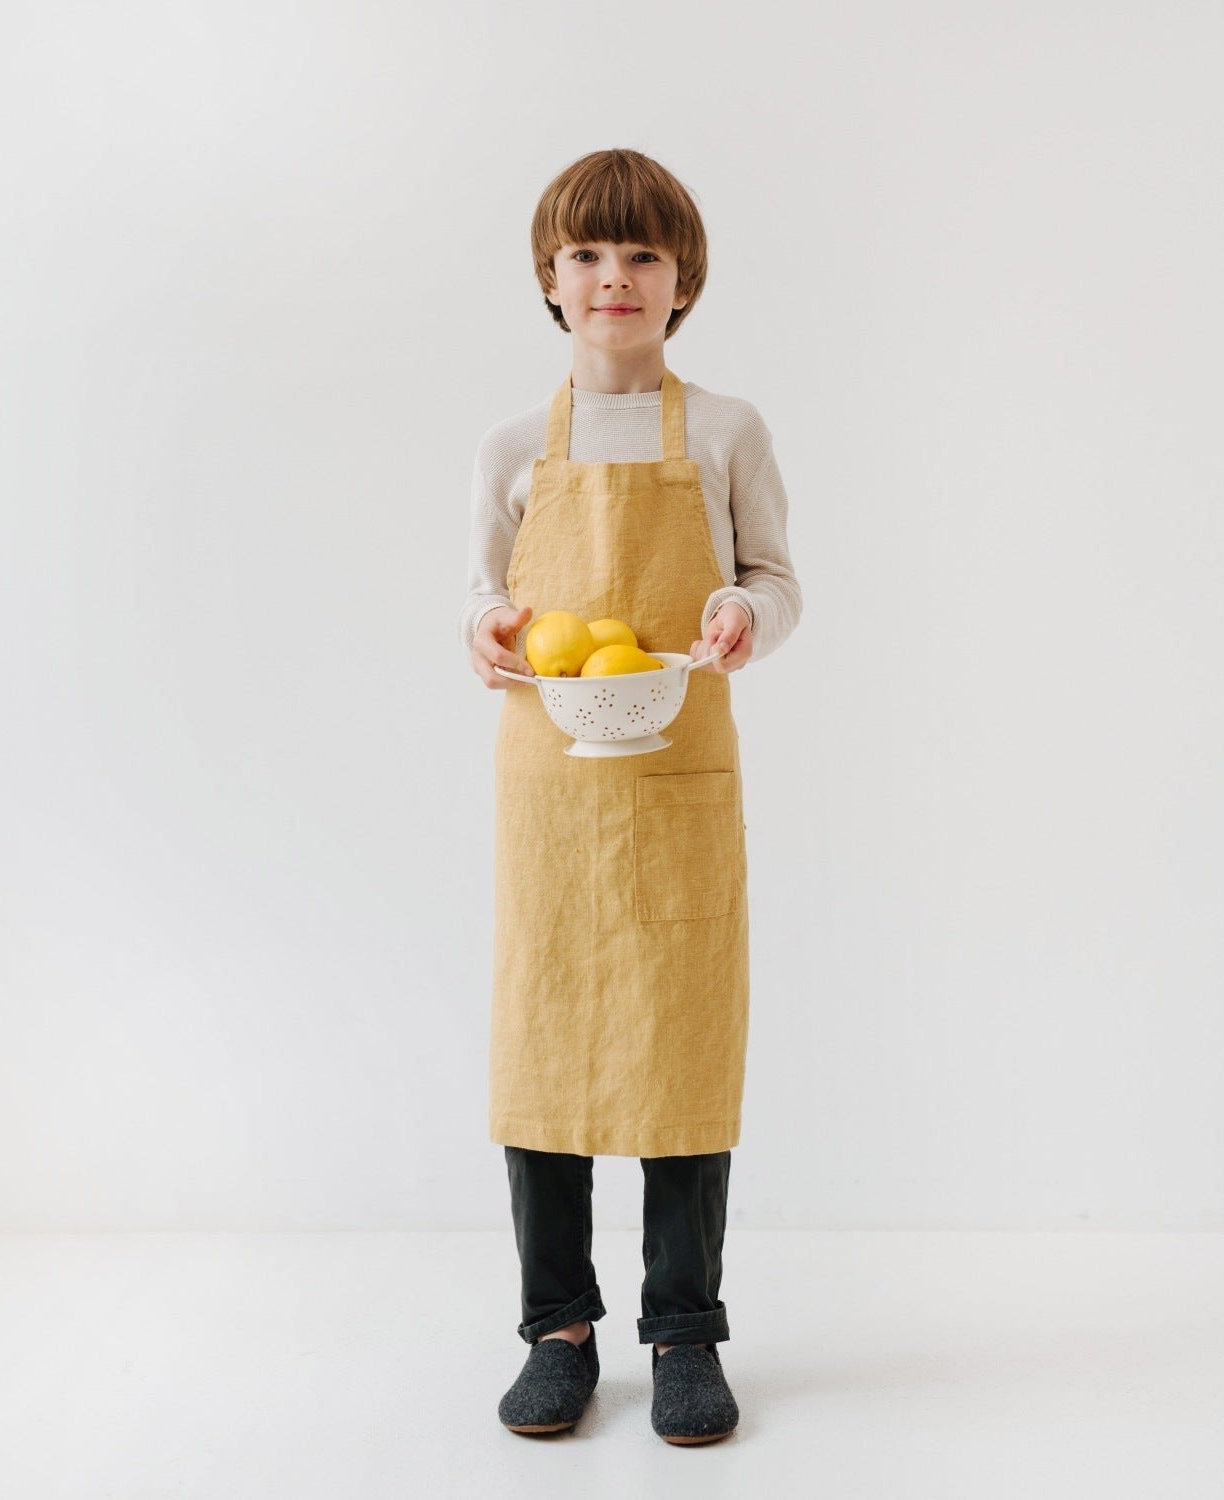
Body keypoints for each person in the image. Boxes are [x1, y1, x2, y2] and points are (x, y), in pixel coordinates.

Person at [459, 148, 802, 1444]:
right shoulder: (507, 445)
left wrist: (738, 612)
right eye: (590, 255)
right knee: (543, 1037)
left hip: (676, 780)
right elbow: (478, 599)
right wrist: (487, 630)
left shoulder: (725, 430)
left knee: (682, 1048)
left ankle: (683, 1331)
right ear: (550, 279)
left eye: (643, 256)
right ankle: (558, 1325)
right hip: (550, 785)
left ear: (682, 282)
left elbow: (778, 577)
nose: (616, 278)